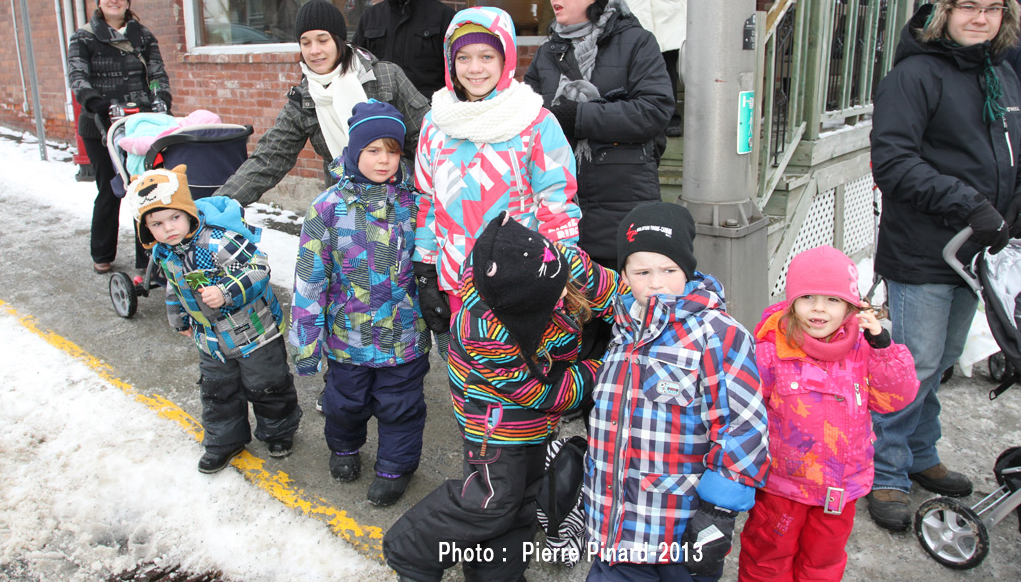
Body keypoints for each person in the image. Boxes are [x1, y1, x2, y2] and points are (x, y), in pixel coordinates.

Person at [383, 211, 621, 582]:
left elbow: (616, 294)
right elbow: (541, 390)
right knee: (491, 501)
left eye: (562, 287)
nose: (564, 295)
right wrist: (607, 368)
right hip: (492, 417)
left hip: (538, 420)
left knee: (524, 497)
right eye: (549, 300)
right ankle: (412, 549)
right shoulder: (483, 325)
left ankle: (497, 575)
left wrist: (646, 315)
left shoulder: (559, 263)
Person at [868, 0, 1021, 531]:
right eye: (969, 6)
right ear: (946, 9)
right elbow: (894, 162)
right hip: (924, 248)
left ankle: (921, 454)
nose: (980, 18)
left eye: (992, 8)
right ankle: (886, 469)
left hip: (979, 249)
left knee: (942, 364)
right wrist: (969, 204)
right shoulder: (915, 75)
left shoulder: (1001, 73)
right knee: (913, 365)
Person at [583, 202, 769, 580]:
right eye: (642, 271)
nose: (655, 283)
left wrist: (717, 512)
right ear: (624, 274)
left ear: (687, 268)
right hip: (616, 528)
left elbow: (743, 425)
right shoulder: (623, 331)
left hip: (679, 535)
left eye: (668, 270)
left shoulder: (716, 334)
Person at [524, 0, 674, 360]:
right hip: (563, 205)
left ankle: (622, 404)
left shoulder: (636, 43)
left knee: (626, 315)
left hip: (623, 197)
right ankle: (581, 403)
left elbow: (655, 109)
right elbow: (525, 114)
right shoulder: (548, 53)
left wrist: (581, 116)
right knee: (574, 309)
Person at [737, 246, 918, 582]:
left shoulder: (864, 349)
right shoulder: (772, 348)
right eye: (808, 297)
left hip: (840, 490)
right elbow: (745, 409)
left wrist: (884, 349)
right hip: (782, 487)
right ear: (792, 301)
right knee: (767, 558)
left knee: (822, 564)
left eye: (832, 300)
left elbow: (895, 398)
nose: (819, 308)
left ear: (852, 306)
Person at [290, 100, 429, 507]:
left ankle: (394, 467)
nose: (384, 160)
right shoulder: (328, 209)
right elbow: (310, 280)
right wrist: (307, 343)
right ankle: (345, 449)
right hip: (347, 338)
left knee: (401, 408)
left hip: (404, 338)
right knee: (344, 403)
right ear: (354, 151)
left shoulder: (416, 204)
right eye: (373, 150)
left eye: (392, 150)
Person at [412, 6, 581, 336]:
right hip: (457, 282)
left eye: (487, 56)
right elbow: (428, 202)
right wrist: (426, 268)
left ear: (506, 58)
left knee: (520, 384)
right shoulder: (435, 123)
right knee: (466, 382)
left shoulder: (535, 123)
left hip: (522, 281)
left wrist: (560, 273)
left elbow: (558, 207)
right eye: (464, 57)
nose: (475, 68)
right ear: (451, 61)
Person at [129, 165, 301, 474]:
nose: (168, 229)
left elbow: (258, 268)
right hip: (210, 341)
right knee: (217, 392)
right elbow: (175, 288)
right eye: (156, 224)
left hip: (255, 334)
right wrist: (179, 320)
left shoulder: (216, 242)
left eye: (174, 218)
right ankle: (224, 440)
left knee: (268, 387)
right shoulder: (167, 254)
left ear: (188, 213)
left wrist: (226, 292)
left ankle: (278, 432)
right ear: (146, 230)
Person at [216, 0, 430, 206]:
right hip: (344, 210)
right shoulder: (304, 101)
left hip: (401, 202)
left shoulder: (385, 77)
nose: (314, 50)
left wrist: (423, 192)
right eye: (305, 43)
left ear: (339, 40)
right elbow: (268, 159)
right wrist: (216, 204)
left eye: (322, 40)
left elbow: (425, 139)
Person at [68, 0, 172, 274]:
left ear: (127, 2)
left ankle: (148, 259)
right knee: (110, 189)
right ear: (99, 1)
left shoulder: (143, 35)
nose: (115, 1)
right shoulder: (84, 37)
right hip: (101, 123)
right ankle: (102, 252)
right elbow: (78, 76)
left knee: (146, 187)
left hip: (141, 123)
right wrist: (93, 101)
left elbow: (157, 72)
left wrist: (161, 97)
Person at [353, 0, 456, 102]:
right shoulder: (370, 18)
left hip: (430, 114)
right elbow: (354, 68)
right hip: (381, 113)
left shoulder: (444, 17)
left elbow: (455, 74)